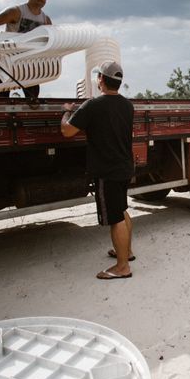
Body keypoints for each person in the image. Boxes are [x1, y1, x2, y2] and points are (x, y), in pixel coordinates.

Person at [60, 61, 135, 280]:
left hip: (108, 170)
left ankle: (122, 267)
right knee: (121, 210)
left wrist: (66, 113)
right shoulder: (127, 106)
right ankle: (126, 252)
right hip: (123, 166)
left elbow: (67, 131)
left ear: (101, 79)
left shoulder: (93, 105)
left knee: (115, 218)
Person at [0, 0, 53, 98]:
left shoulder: (46, 20)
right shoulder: (16, 12)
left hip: (30, 66)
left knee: (33, 101)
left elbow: (49, 42)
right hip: (8, 63)